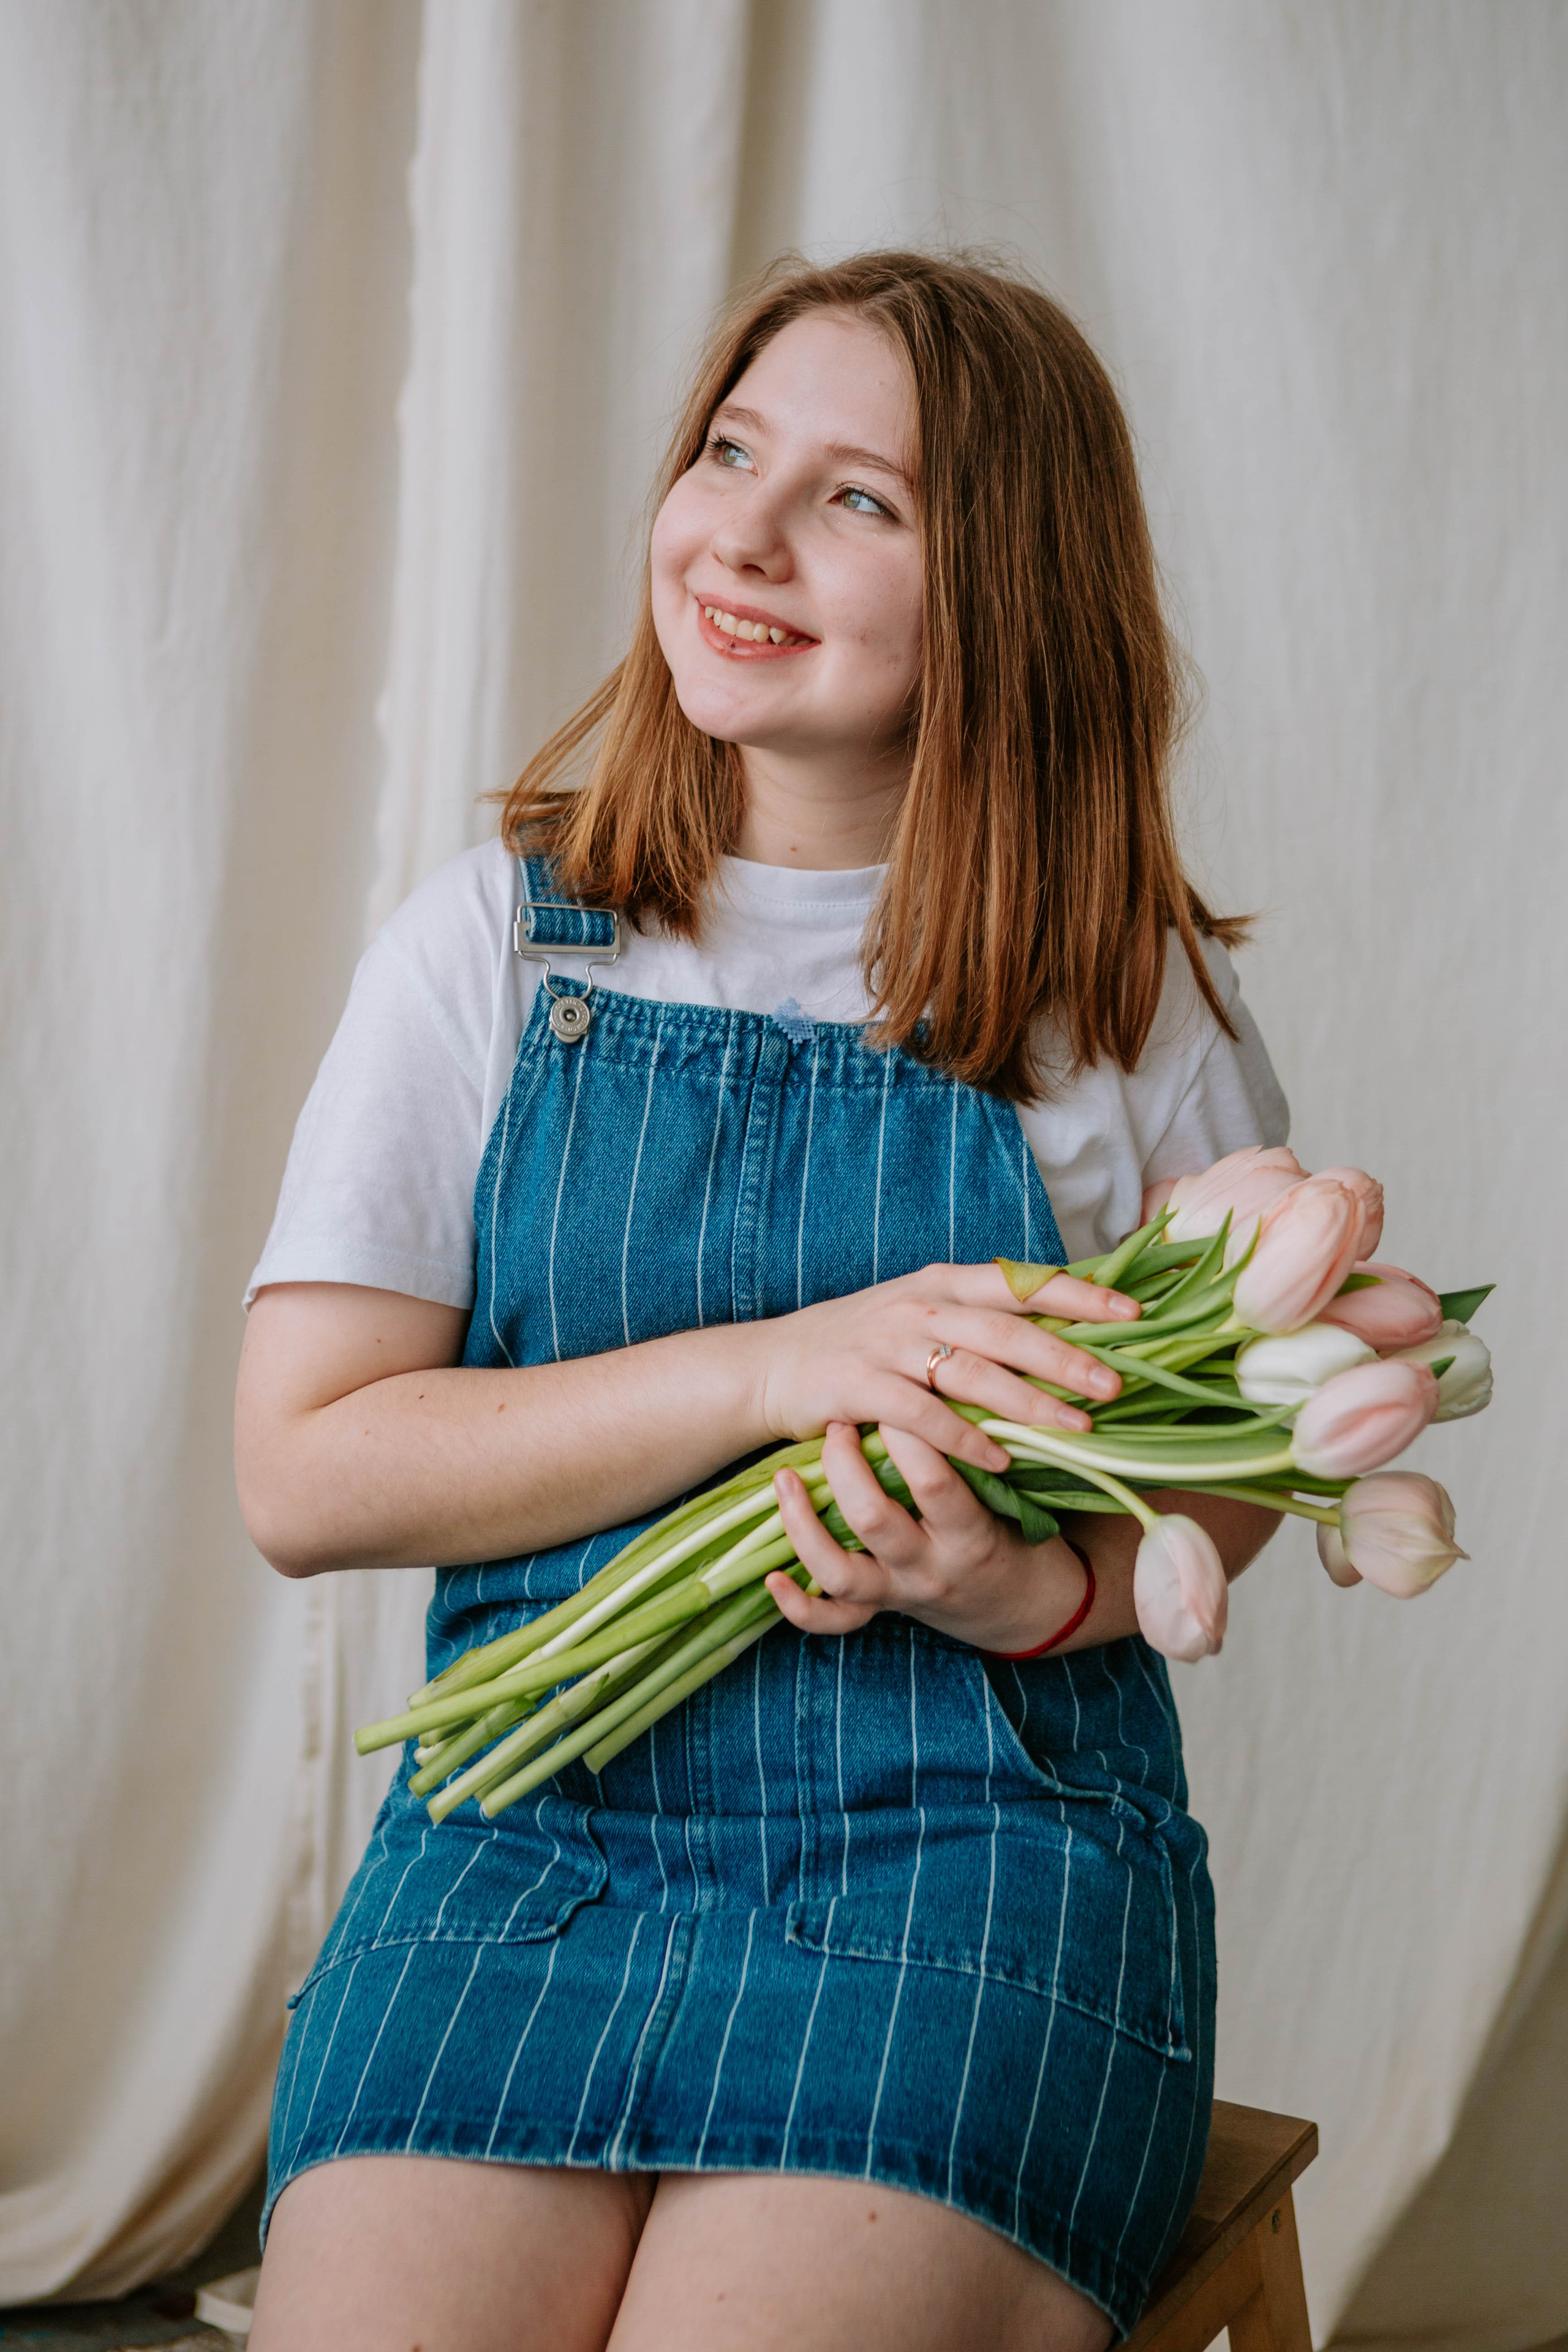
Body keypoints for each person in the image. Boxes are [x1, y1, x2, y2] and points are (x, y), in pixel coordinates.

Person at [236, 251, 1288, 2352]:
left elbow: (1238, 1464)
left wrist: (1032, 1595)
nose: (743, 530)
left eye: (859, 500)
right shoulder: (496, 954)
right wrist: (772, 1372)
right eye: (733, 452)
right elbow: (306, 1470)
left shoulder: (1118, 1000)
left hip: (974, 1857)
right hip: (537, 1832)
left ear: (1005, 588)